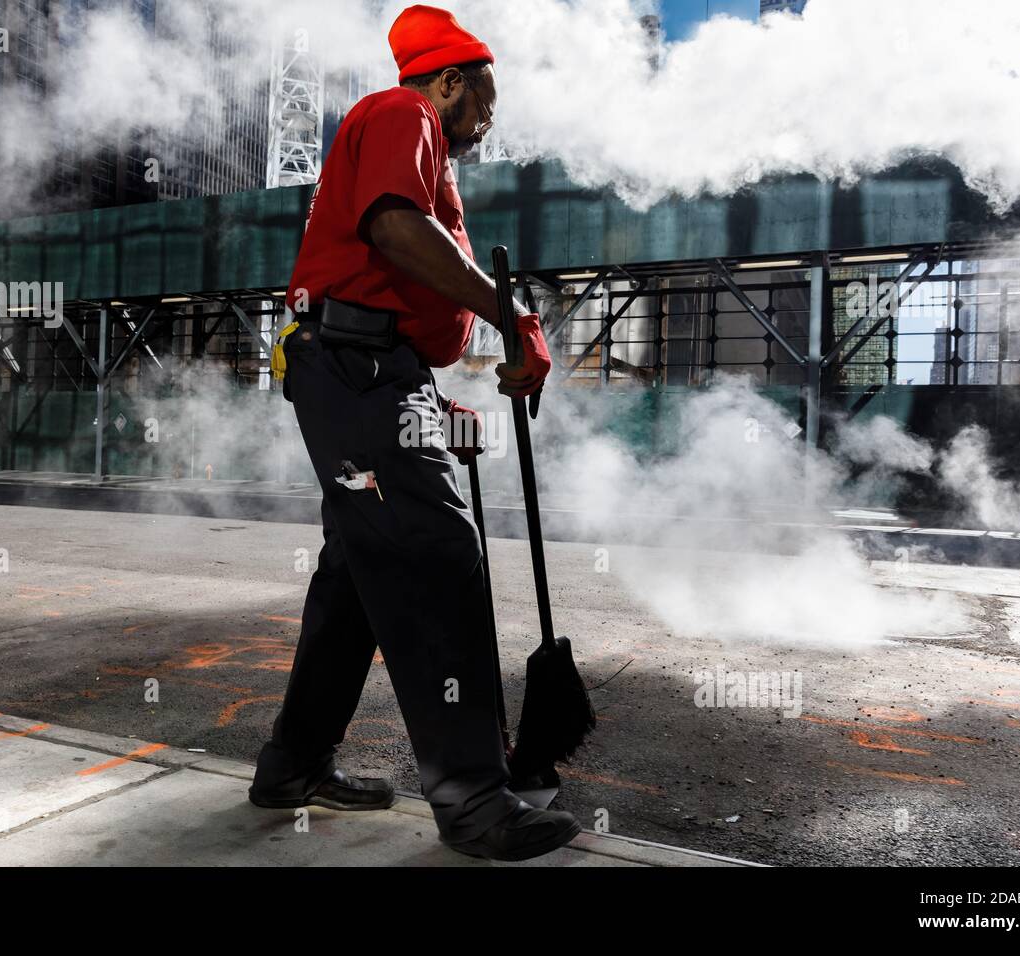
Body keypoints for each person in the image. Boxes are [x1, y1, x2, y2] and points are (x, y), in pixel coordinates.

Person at [247, 4, 576, 862]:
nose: (487, 122)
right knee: (435, 553)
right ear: (452, 81)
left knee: (358, 575)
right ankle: (473, 799)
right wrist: (514, 317)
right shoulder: (403, 114)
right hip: (353, 366)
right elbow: (395, 226)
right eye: (485, 104)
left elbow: (400, 282)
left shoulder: (409, 134)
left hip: (370, 371)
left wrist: (425, 399)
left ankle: (291, 767)